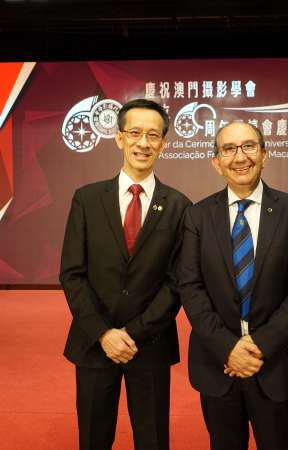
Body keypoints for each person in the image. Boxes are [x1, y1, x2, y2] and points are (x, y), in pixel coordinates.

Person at [60, 99, 191, 450]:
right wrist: (103, 334)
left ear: (163, 143)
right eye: (135, 133)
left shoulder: (180, 206)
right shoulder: (87, 199)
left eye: (153, 135)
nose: (143, 143)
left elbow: (177, 282)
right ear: (119, 138)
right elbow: (72, 273)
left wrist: (133, 334)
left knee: (152, 439)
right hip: (94, 342)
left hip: (149, 344)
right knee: (93, 437)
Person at [178, 121, 288, 450]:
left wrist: (259, 345)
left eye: (249, 147)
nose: (240, 157)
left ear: (265, 155)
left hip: (276, 361)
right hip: (218, 363)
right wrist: (229, 348)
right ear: (216, 162)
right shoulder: (197, 216)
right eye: (229, 149)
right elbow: (190, 287)